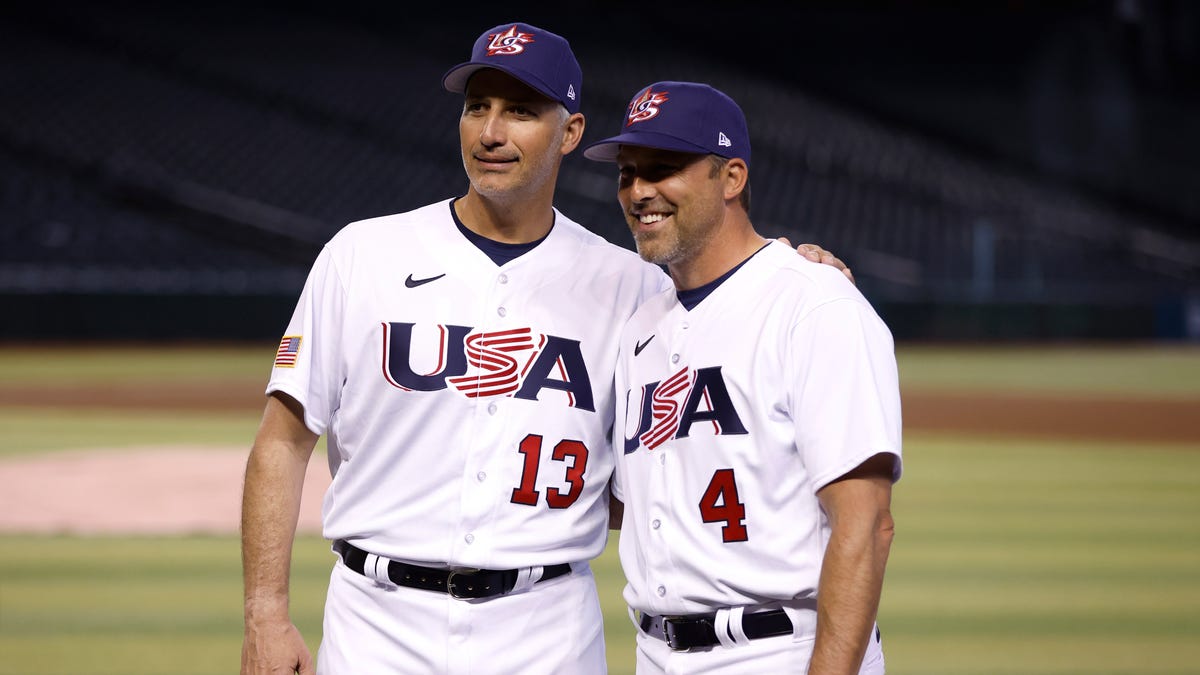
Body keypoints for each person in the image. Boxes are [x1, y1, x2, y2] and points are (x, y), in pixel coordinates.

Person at [239, 22, 854, 675]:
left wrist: (789, 268)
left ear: (570, 131)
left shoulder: (635, 287)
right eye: (477, 106)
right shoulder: (361, 255)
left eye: (521, 111)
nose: (490, 132)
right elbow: (282, 440)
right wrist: (264, 613)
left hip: (545, 635)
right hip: (375, 628)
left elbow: (658, 465)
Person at [584, 81, 903, 674]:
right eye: (627, 173)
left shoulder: (813, 304)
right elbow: (638, 499)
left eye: (664, 167)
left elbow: (865, 525)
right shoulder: (642, 328)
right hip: (655, 654)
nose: (638, 191)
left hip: (779, 650)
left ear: (731, 178)